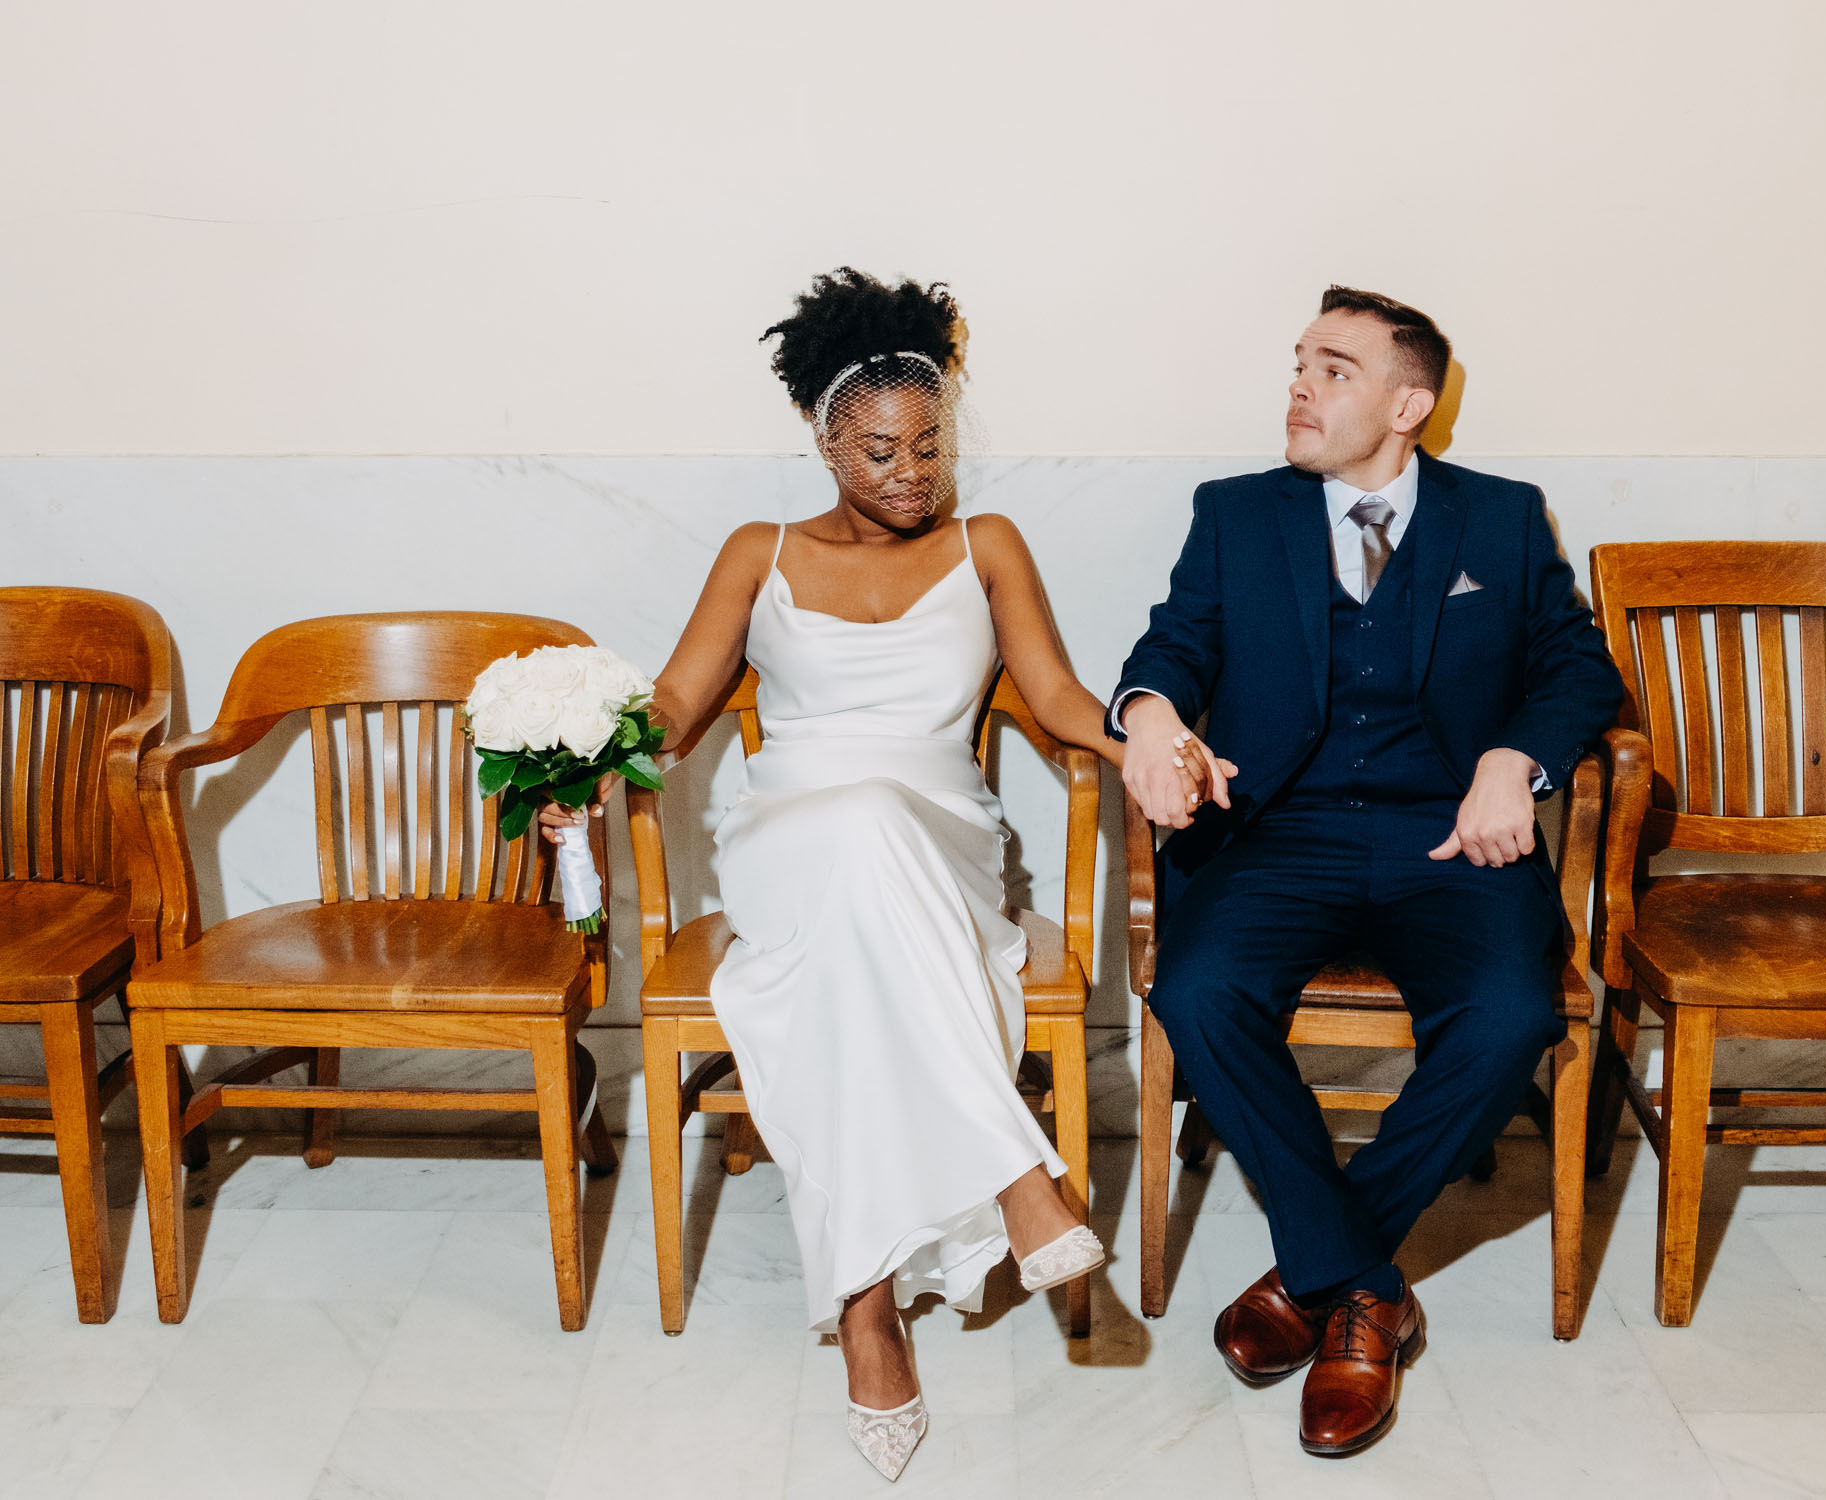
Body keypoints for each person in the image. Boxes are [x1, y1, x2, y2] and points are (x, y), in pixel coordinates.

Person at [543, 269, 1218, 1483]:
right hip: (788, 832)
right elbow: (681, 706)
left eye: (930, 446)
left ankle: (864, 1315)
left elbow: (1056, 695)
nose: (912, 474)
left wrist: (1136, 751)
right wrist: (596, 761)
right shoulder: (760, 550)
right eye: (879, 452)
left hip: (938, 833)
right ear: (822, 438)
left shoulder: (987, 544)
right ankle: (1019, 1176)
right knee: (845, 831)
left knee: (851, 941)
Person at [1112, 286, 1623, 1456]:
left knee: (1508, 1016)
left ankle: (1312, 1275)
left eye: (1333, 369)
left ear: (1410, 403)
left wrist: (1515, 758)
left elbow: (1577, 671)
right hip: (1279, 832)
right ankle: (1364, 1291)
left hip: (1450, 839)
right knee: (1195, 991)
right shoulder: (1237, 515)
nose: (1299, 384)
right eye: (1298, 362)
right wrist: (1146, 715)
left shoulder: (1499, 520)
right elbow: (1174, 643)